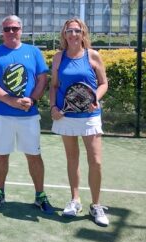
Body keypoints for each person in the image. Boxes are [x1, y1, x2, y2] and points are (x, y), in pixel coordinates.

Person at [0, 15, 54, 214]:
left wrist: (31, 99)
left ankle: (40, 195)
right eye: (7, 29)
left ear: (21, 29)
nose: (11, 32)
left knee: (34, 155)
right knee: (1, 155)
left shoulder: (33, 51)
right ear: (2, 32)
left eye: (15, 28)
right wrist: (11, 101)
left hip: (29, 115)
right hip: (2, 115)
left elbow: (42, 80)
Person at [49, 18, 109, 226]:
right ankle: (75, 200)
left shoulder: (93, 56)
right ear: (64, 35)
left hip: (90, 116)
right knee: (72, 159)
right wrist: (53, 108)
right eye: (69, 31)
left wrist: (95, 98)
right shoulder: (58, 58)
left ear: (83, 33)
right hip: (66, 116)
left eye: (77, 30)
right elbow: (54, 86)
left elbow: (103, 83)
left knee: (96, 161)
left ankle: (96, 205)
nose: (73, 34)